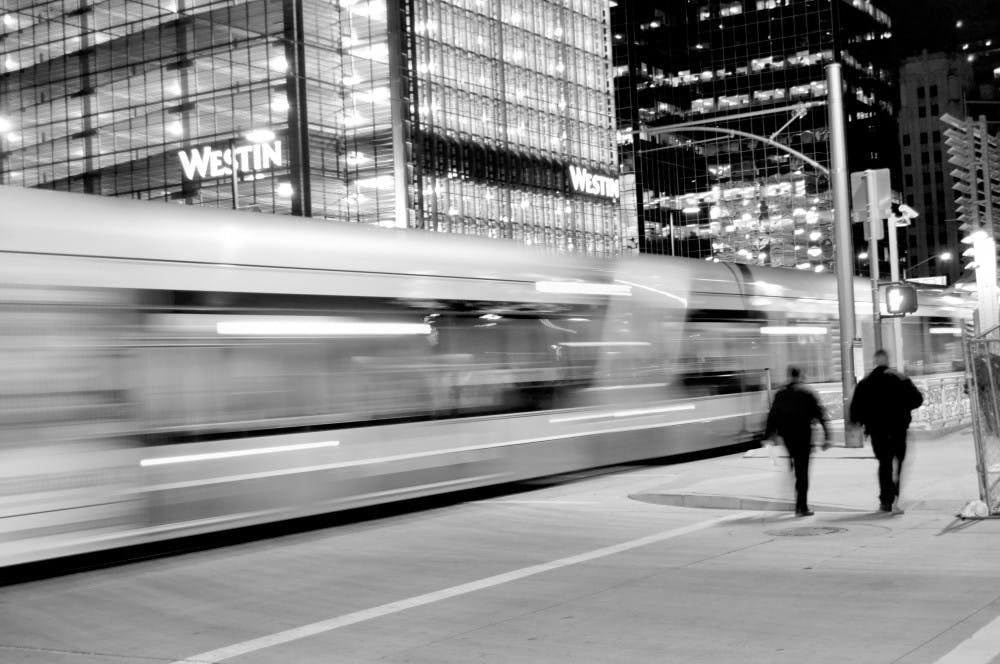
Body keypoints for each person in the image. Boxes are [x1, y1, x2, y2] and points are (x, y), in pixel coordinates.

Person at [849, 349, 924, 514]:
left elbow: (855, 409)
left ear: (875, 361)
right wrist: (903, 408)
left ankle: (885, 501)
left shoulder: (865, 382)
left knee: (884, 464)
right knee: (898, 463)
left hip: (877, 431)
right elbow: (918, 399)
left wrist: (861, 423)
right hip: (898, 429)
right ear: (887, 361)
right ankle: (895, 498)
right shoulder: (900, 378)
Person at [764, 366, 832, 517]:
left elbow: (773, 416)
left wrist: (767, 435)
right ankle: (801, 506)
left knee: (797, 466)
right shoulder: (807, 393)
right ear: (800, 375)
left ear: (789, 376)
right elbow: (821, 414)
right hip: (804, 437)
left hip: (788, 438)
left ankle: (793, 470)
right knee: (803, 472)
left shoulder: (781, 394)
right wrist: (827, 436)